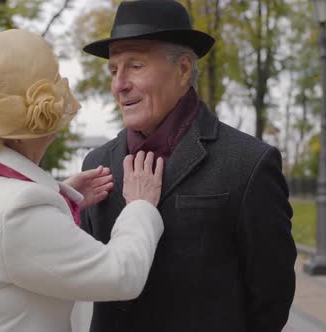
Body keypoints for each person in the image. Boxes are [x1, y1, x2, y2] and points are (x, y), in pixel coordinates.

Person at [0, 29, 165, 332]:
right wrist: (139, 207)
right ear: (33, 129)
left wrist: (62, 195)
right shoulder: (17, 212)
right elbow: (121, 275)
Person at [80, 1, 297, 331]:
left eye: (135, 66)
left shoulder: (248, 163)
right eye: (113, 70)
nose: (119, 84)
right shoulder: (97, 165)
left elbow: (271, 297)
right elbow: (82, 274)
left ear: (183, 69)